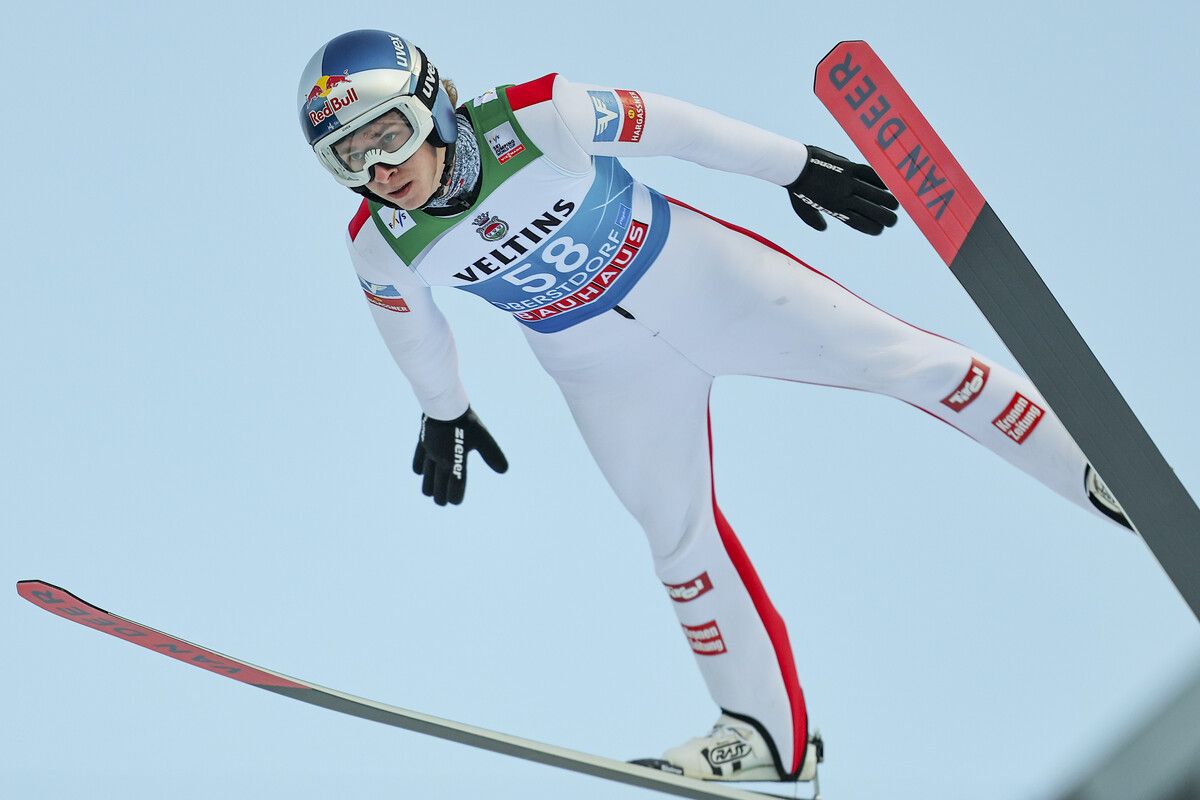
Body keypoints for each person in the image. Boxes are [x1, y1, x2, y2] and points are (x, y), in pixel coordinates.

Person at [297, 29, 1132, 784]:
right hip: (599, 367)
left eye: (389, 135)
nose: (380, 171)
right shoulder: (380, 243)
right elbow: (415, 335)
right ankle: (766, 733)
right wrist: (444, 410)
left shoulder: (535, 117)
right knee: (676, 538)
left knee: (903, 362)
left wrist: (797, 167)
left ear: (434, 104)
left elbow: (675, 127)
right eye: (349, 161)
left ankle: (1094, 469)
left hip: (707, 282)